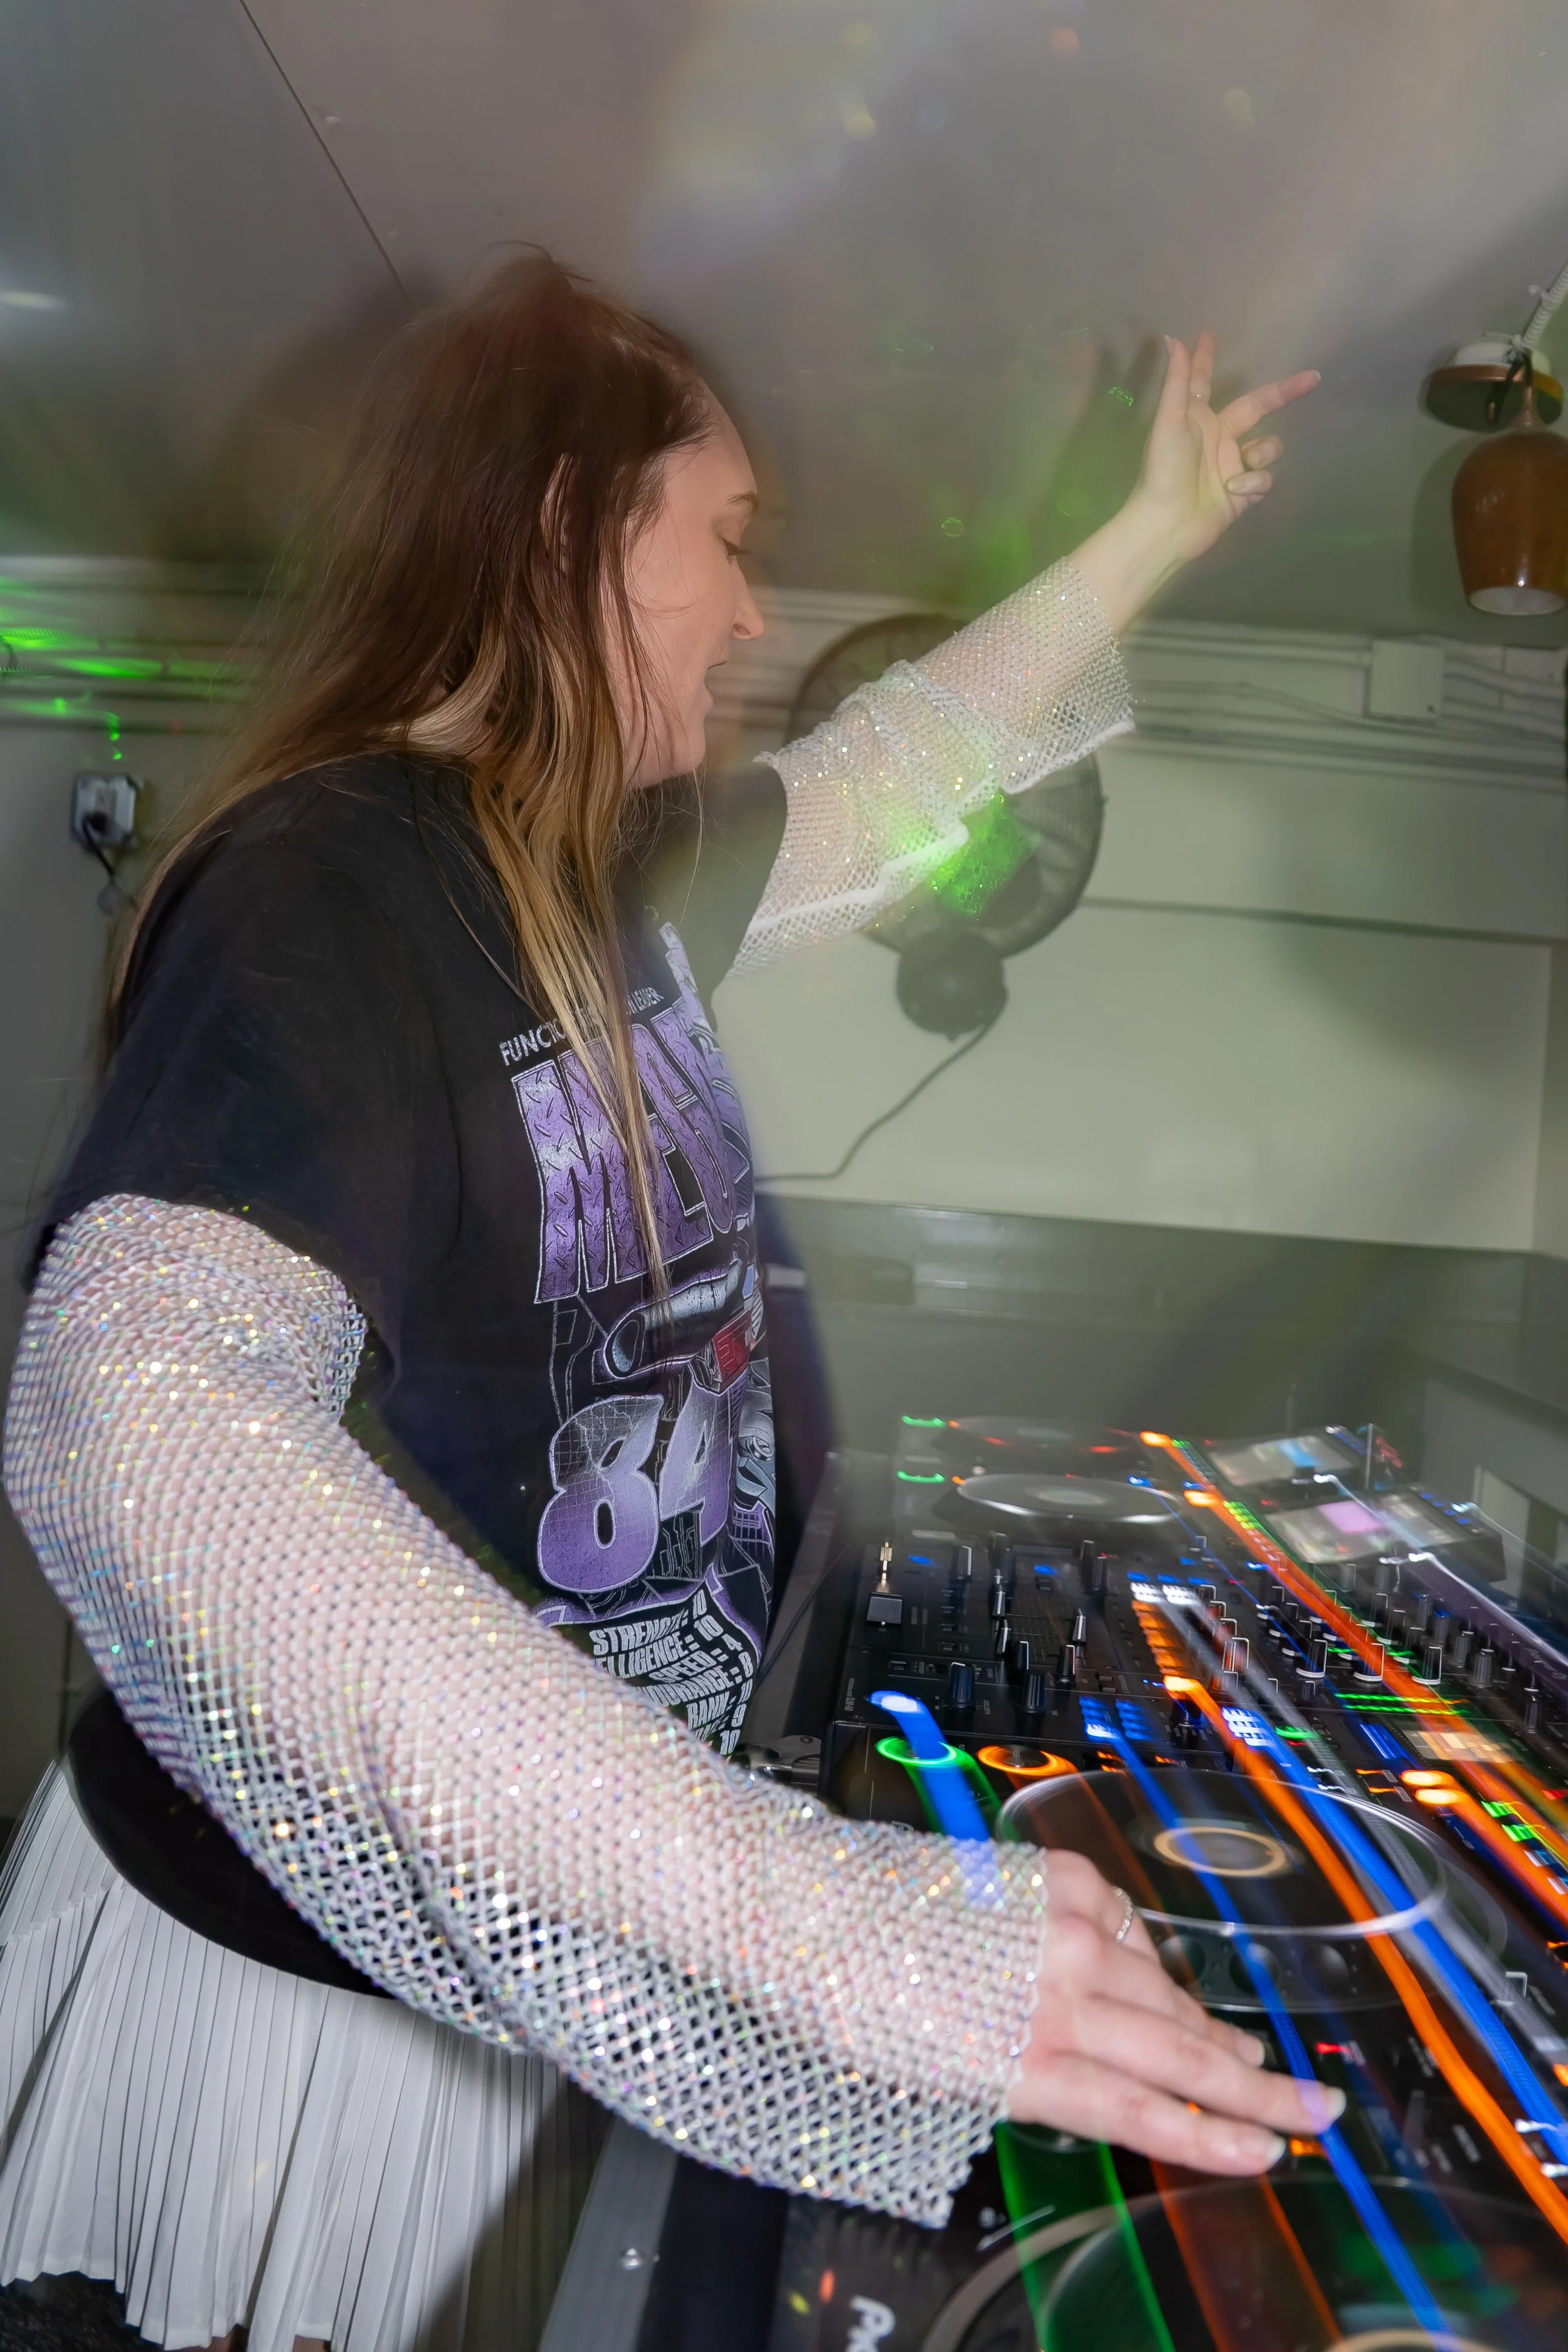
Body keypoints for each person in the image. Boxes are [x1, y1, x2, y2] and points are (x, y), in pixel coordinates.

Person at [0, 255, 1333, 2352]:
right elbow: (135, 1406)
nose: (751, 615)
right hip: (290, 1999)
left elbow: (906, 769)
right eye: (722, 543)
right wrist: (817, 1925)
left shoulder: (601, 867)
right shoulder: (331, 875)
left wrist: (1154, 527)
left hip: (535, 1940)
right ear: (556, 531)